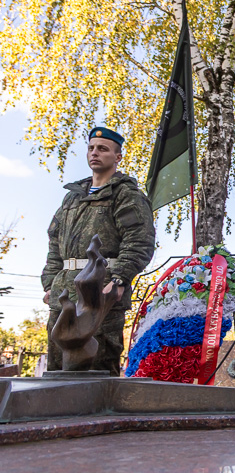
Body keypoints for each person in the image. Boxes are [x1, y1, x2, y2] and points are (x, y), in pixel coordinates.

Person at [41, 126, 155, 375]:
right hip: (64, 296)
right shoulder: (72, 198)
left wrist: (119, 279)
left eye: (103, 149)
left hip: (100, 294)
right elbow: (54, 244)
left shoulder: (125, 195)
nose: (95, 153)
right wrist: (49, 284)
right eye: (91, 148)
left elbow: (139, 242)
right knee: (56, 372)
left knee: (97, 373)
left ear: (118, 157)